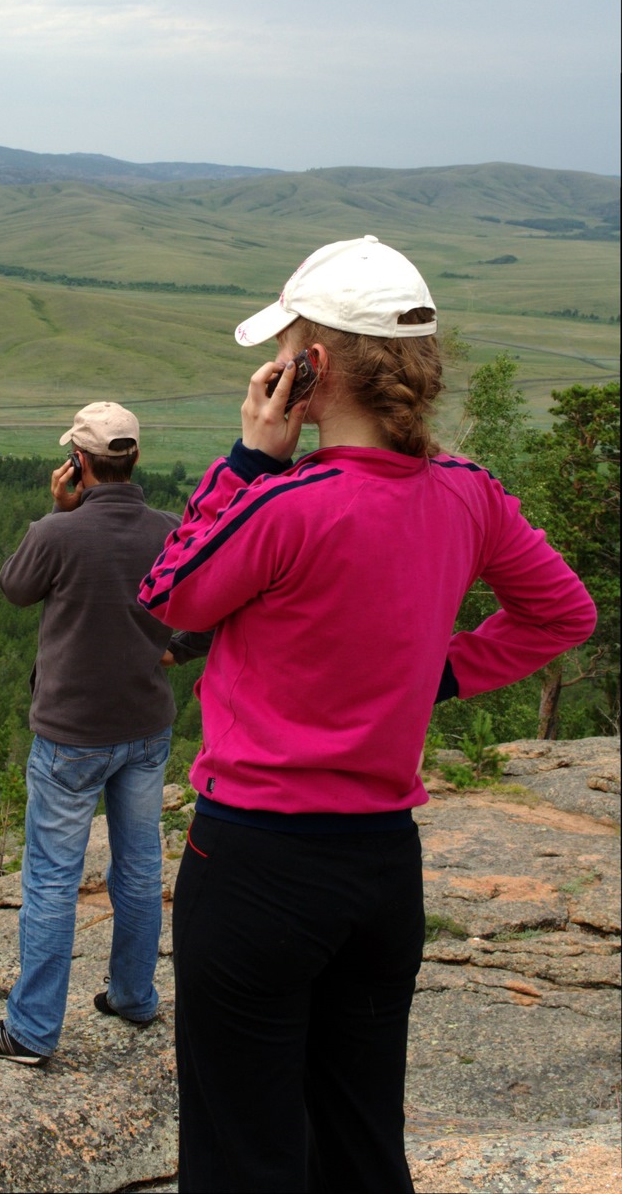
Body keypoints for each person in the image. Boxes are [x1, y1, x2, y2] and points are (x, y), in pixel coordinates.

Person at [138, 236, 597, 1193]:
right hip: (384, 866)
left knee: (241, 1151)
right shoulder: (470, 494)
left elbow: (169, 601)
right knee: (360, 1140)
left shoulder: (289, 502)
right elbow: (562, 611)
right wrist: (437, 674)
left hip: (258, 862)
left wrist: (248, 457)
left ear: (309, 368)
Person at [0, 401, 209, 1066]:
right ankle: (133, 996)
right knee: (138, 869)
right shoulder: (170, 528)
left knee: (50, 880)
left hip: (71, 734)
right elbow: (213, 606)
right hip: (146, 725)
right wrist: (177, 653)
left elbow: (15, 588)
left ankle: (34, 1031)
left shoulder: (58, 531)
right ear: (133, 460)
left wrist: (62, 513)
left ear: (79, 463)